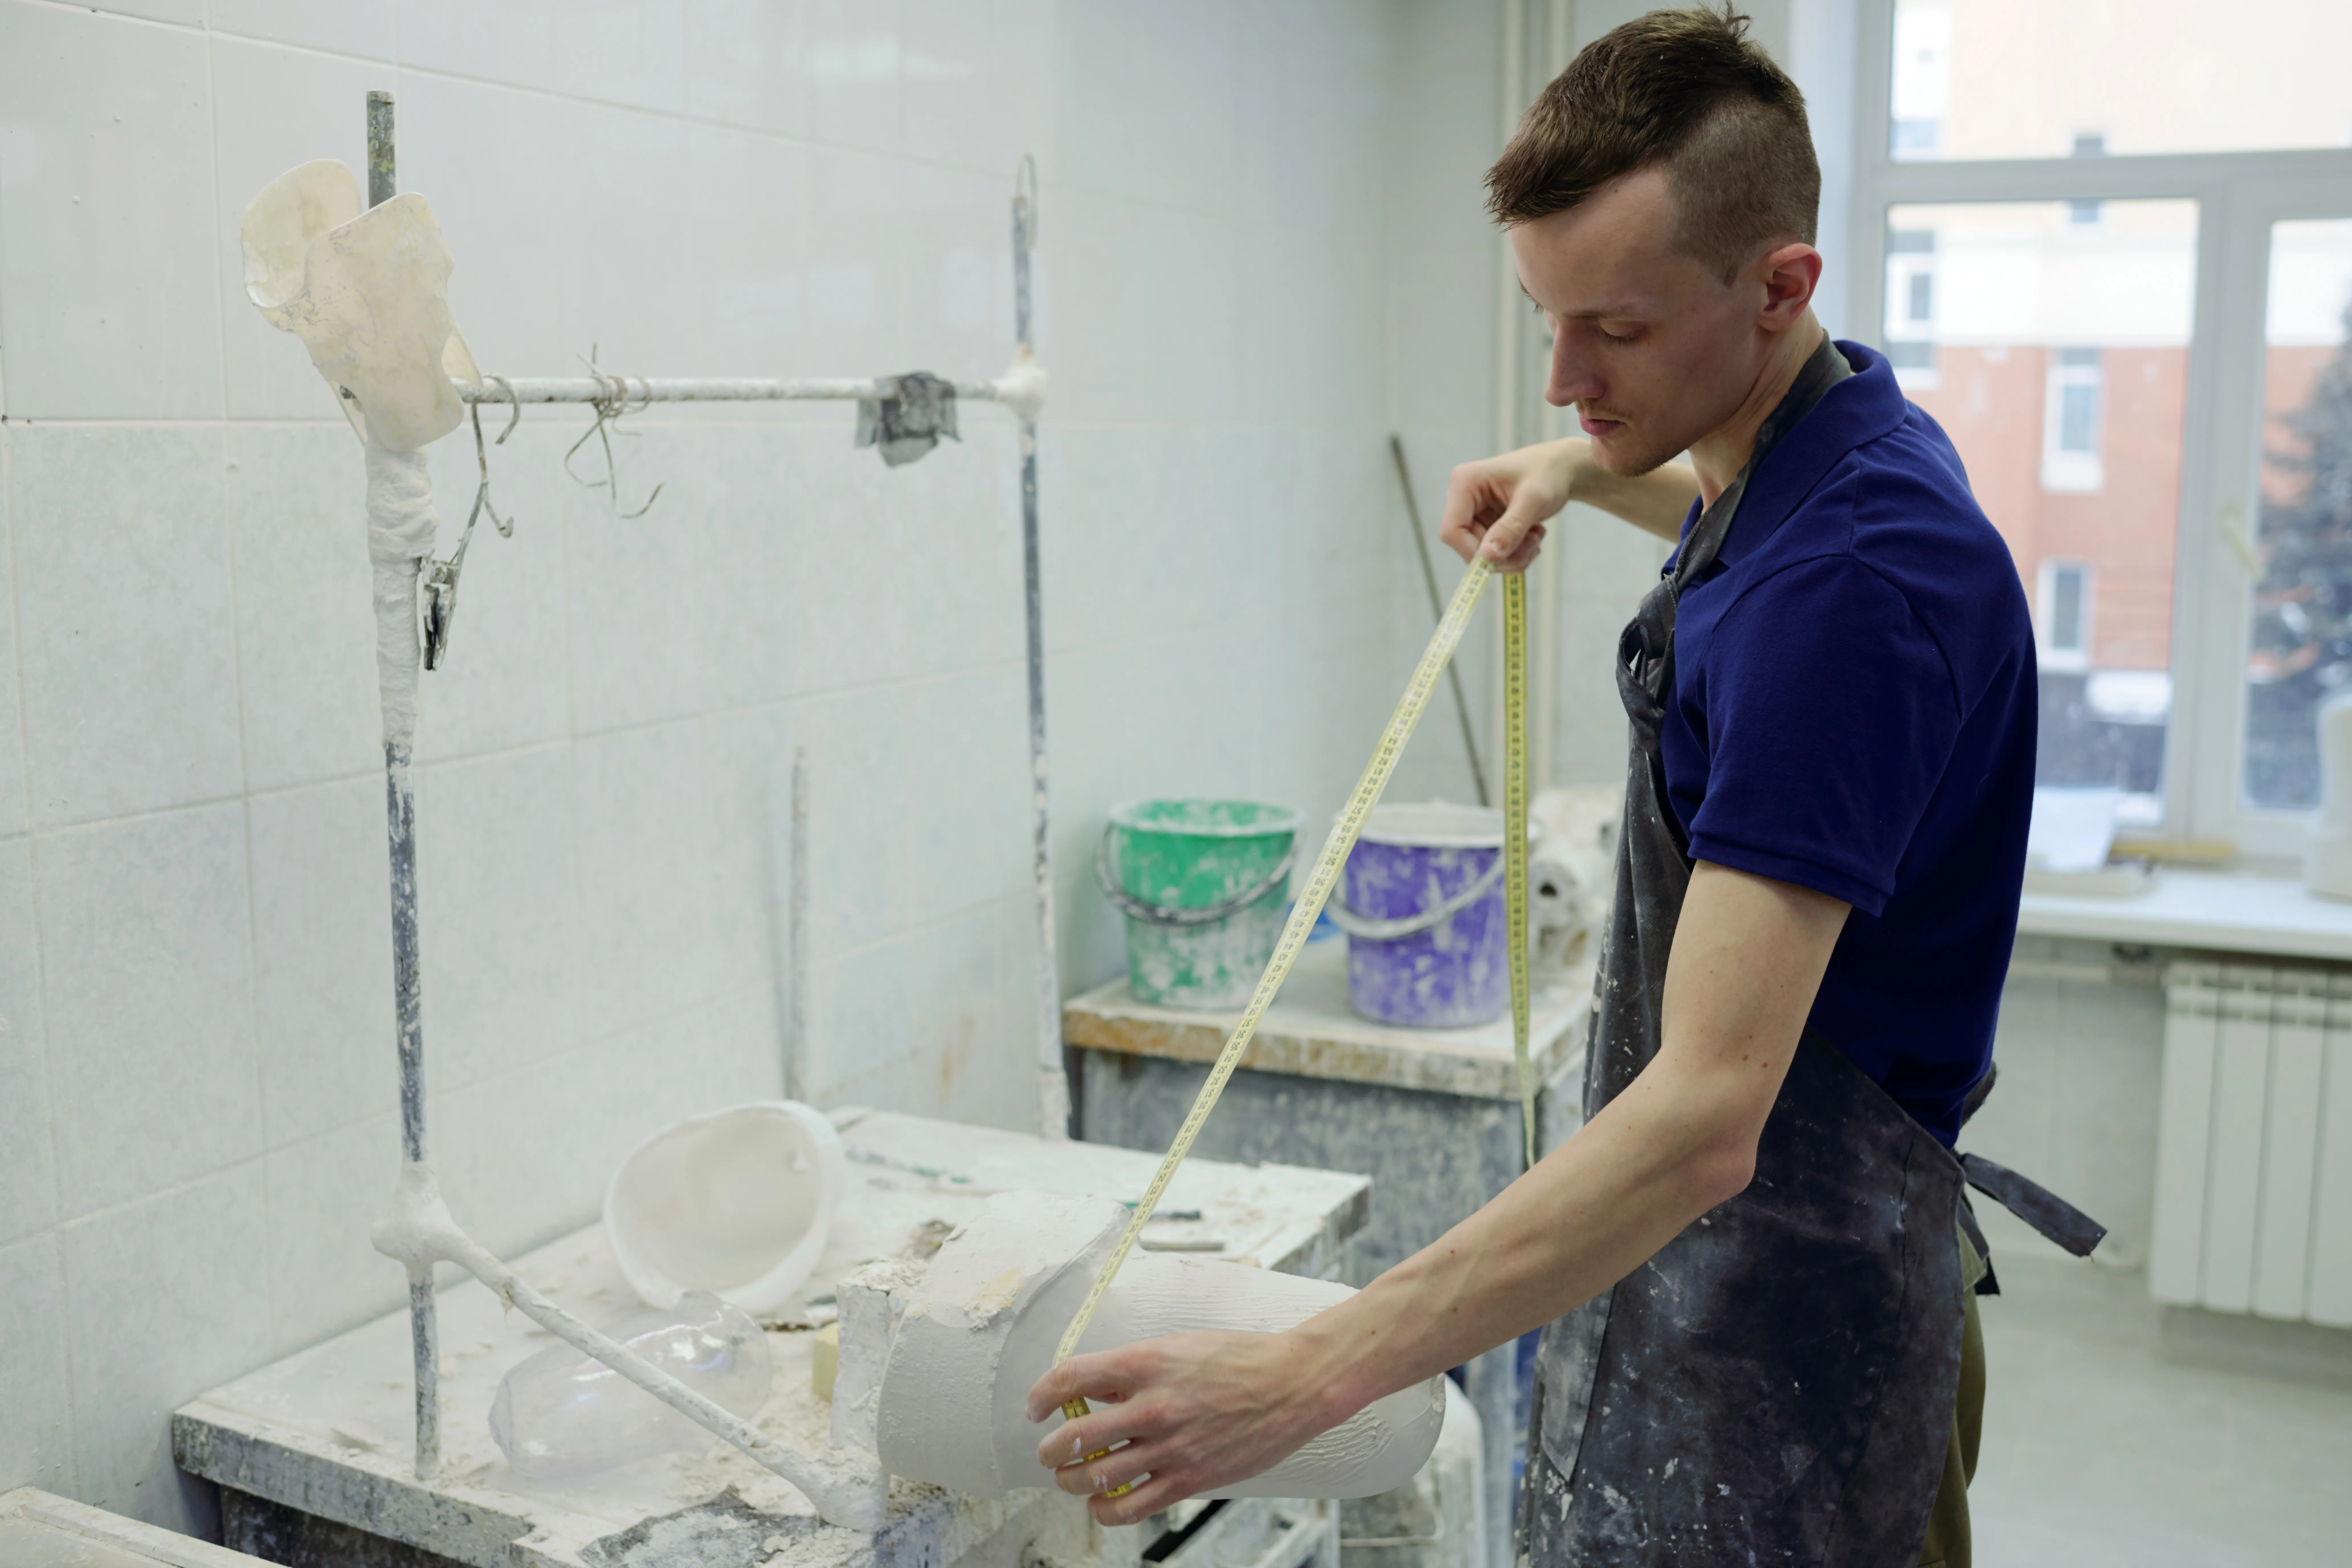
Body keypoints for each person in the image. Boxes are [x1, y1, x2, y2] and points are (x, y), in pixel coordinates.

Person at [1026, 9, 2096, 1564]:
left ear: (1778, 283)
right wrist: (1583, 467)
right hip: (1728, 1270)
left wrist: (1303, 1377)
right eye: (1547, 319)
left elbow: (1708, 1118)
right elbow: (1749, 521)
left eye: (1616, 330)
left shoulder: (1857, 589)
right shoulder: (1826, 441)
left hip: (1802, 1328)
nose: (1562, 374)